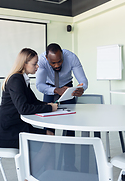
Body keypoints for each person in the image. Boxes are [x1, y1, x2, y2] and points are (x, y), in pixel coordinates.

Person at [0, 48, 58, 149]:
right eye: (34, 64)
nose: (37, 66)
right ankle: (31, 164)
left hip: (18, 127)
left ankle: (33, 164)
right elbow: (24, 109)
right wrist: (49, 108)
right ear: (24, 64)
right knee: (47, 139)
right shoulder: (16, 80)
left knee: (49, 135)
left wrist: (50, 105)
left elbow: (34, 102)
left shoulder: (23, 79)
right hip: (6, 133)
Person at [36, 43, 88, 171]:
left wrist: (82, 88)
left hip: (67, 88)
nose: (57, 65)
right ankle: (49, 166)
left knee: (70, 128)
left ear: (63, 56)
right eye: (53, 63)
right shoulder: (42, 60)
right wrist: (55, 90)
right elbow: (39, 85)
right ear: (47, 59)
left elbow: (83, 80)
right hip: (49, 89)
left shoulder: (71, 57)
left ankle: (69, 165)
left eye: (59, 61)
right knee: (48, 128)